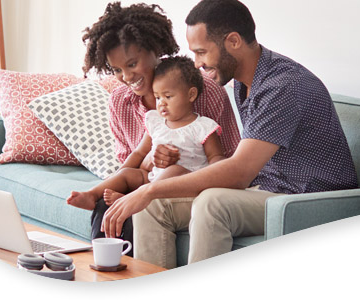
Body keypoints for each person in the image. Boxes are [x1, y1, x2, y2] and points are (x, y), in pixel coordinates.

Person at [102, 0, 359, 269]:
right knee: (152, 207)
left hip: (310, 199)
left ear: (233, 41)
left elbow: (239, 172)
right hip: (270, 190)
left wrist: (150, 188)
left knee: (211, 203)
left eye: (202, 52)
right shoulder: (244, 83)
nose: (197, 63)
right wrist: (149, 193)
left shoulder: (283, 85)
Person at [81, 2, 241, 244]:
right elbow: (129, 165)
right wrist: (150, 160)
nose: (127, 78)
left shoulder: (205, 90)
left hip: (192, 189)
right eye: (117, 70)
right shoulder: (119, 101)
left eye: (132, 64)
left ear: (155, 50)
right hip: (145, 182)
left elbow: (229, 163)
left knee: (136, 210)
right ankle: (104, 273)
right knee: (106, 204)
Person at [67, 56, 226, 212]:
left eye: (168, 96)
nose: (161, 103)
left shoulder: (203, 127)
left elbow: (216, 158)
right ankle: (92, 194)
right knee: (127, 173)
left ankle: (129, 199)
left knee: (175, 170)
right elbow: (139, 152)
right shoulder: (156, 121)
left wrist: (212, 180)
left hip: (186, 183)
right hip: (152, 178)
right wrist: (120, 174)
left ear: (191, 95)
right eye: (157, 97)